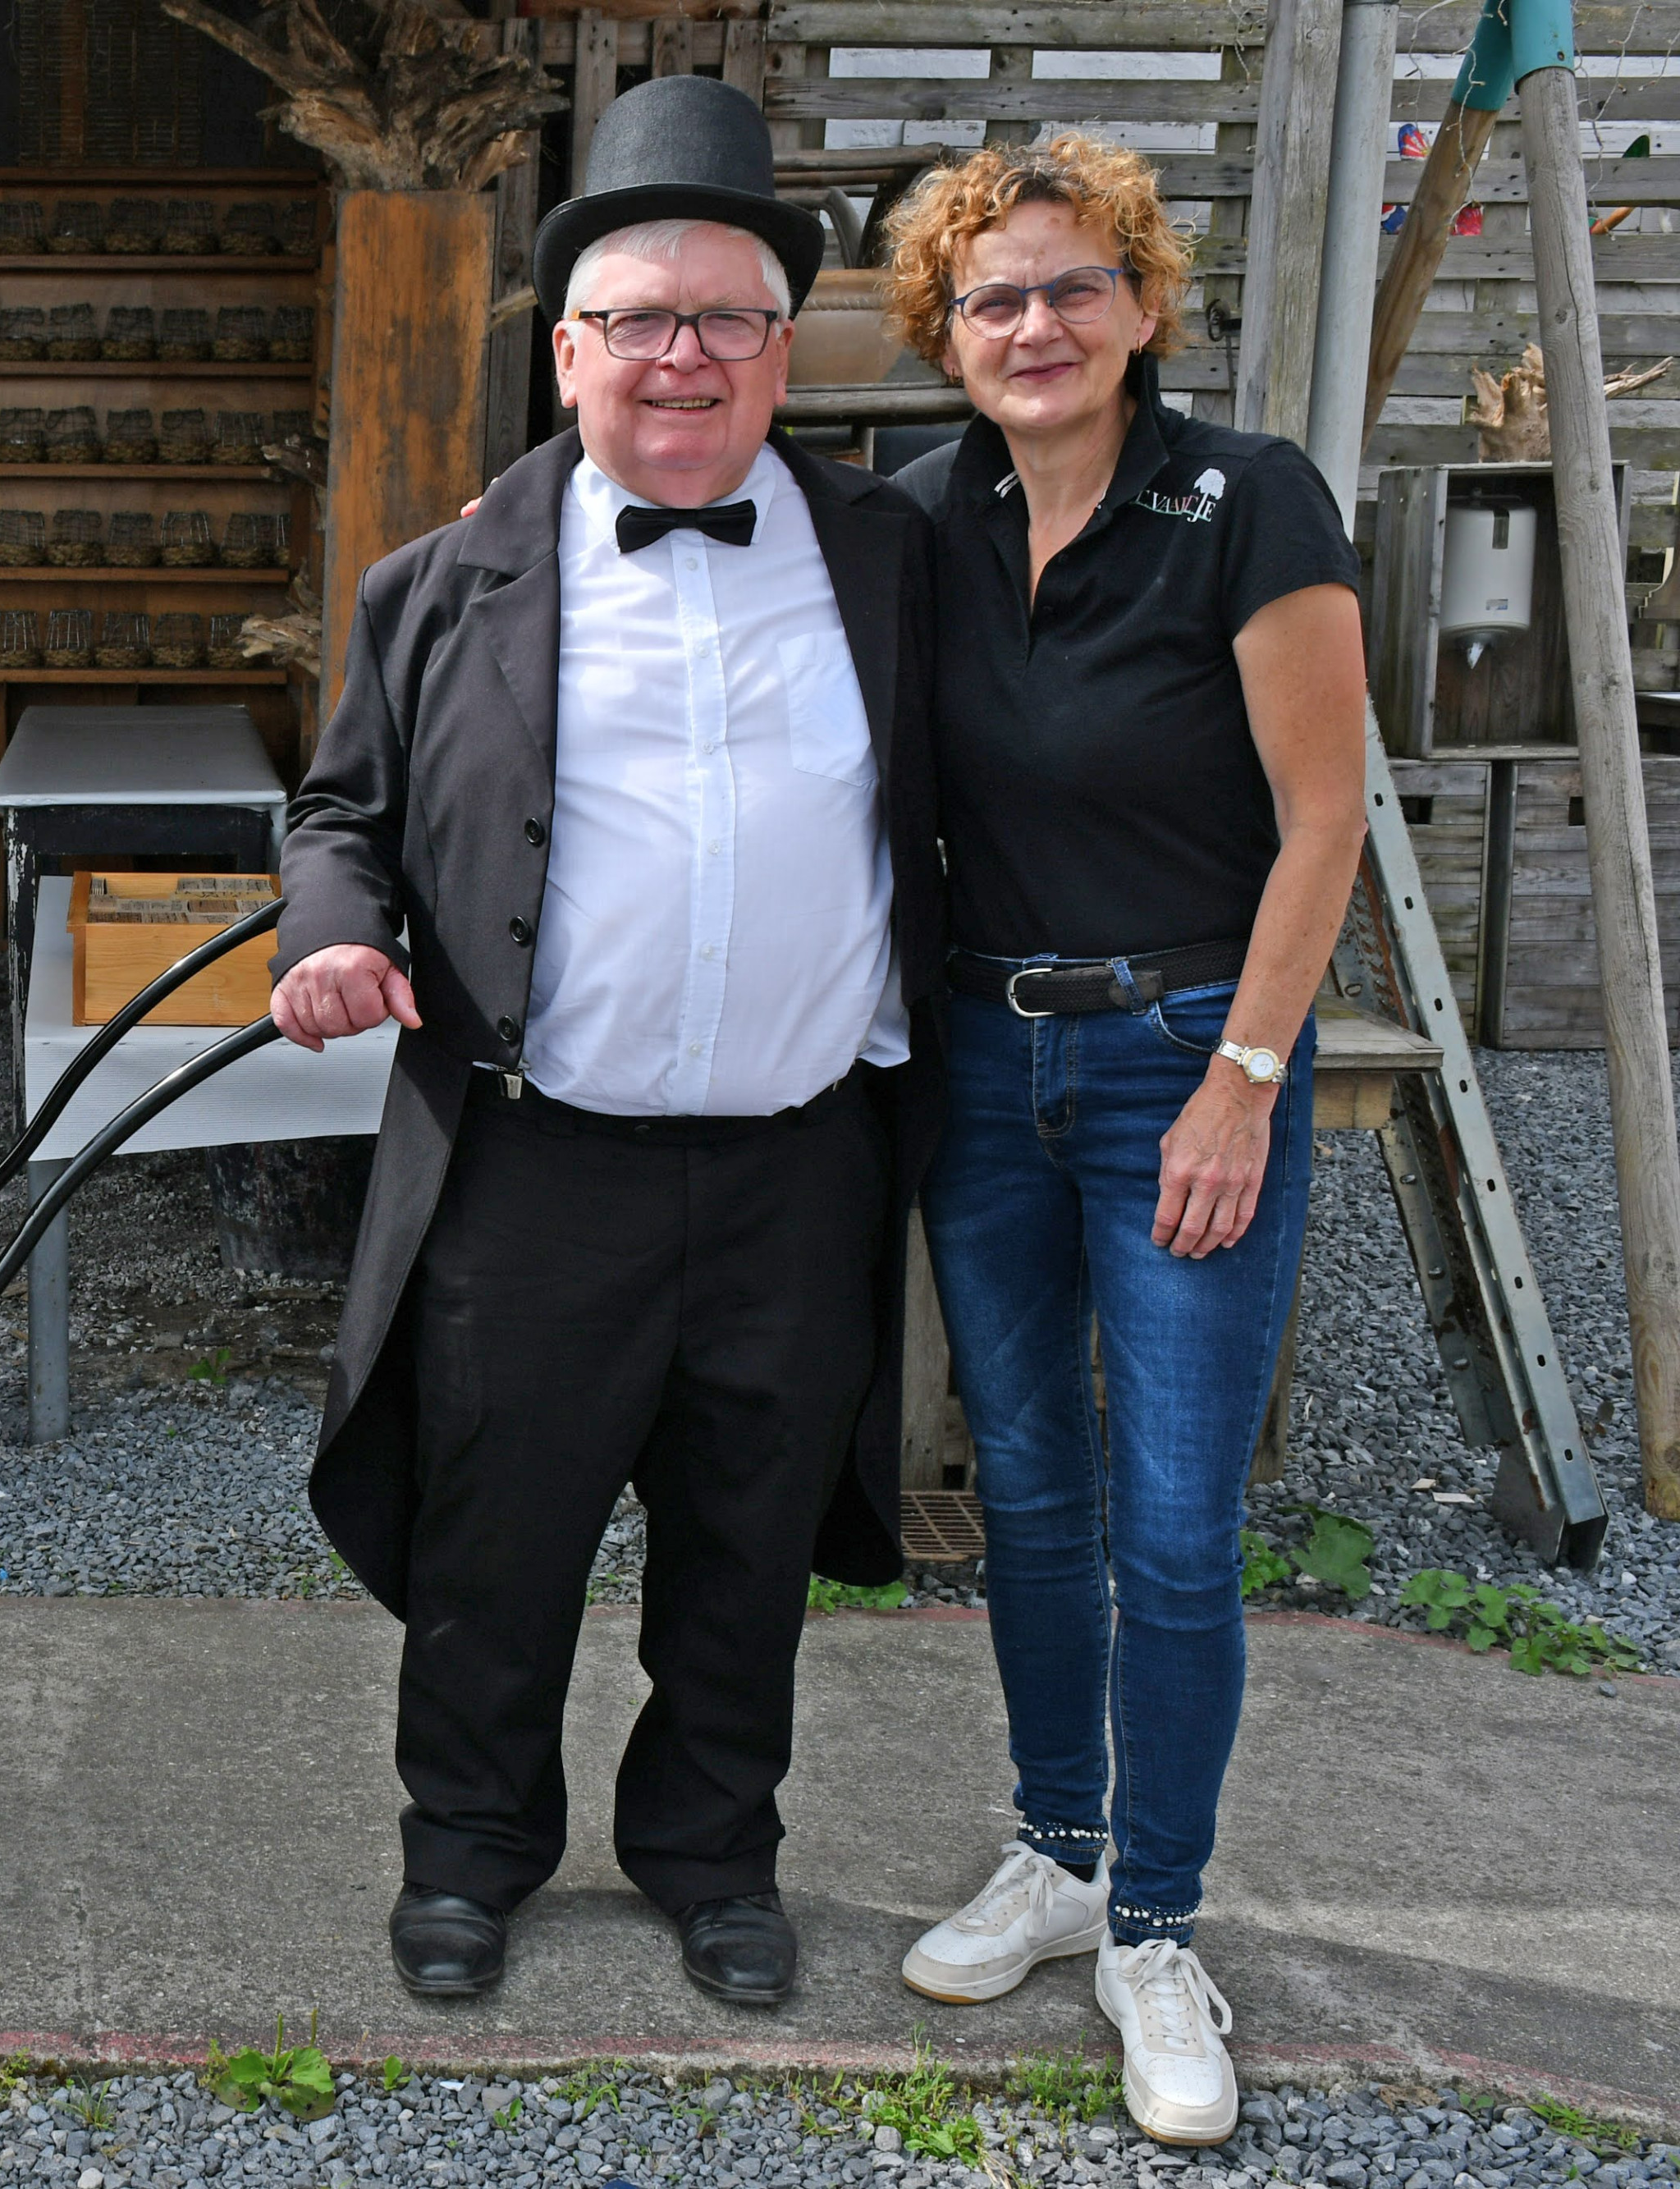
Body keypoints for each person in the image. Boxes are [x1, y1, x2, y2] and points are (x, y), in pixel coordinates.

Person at [269, 72, 941, 2008]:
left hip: (799, 1161)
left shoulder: (890, 560)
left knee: (745, 1547)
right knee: (498, 1537)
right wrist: (331, 937)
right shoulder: (441, 580)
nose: (682, 357)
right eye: (639, 319)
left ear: (779, 352)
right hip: (536, 1155)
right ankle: (466, 1851)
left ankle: (711, 1854)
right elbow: (337, 817)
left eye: (724, 318)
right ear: (568, 351)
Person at [877, 136, 1368, 2144]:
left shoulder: (1245, 505)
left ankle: (1156, 1921)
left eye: (1073, 287)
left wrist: (1243, 1075)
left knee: (1174, 1525)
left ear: (1143, 304)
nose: (1034, 324)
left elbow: (1325, 814)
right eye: (992, 298)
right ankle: (1056, 1847)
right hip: (986, 1063)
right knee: (1032, 1498)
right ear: (945, 337)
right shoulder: (919, 523)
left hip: (1184, 1051)